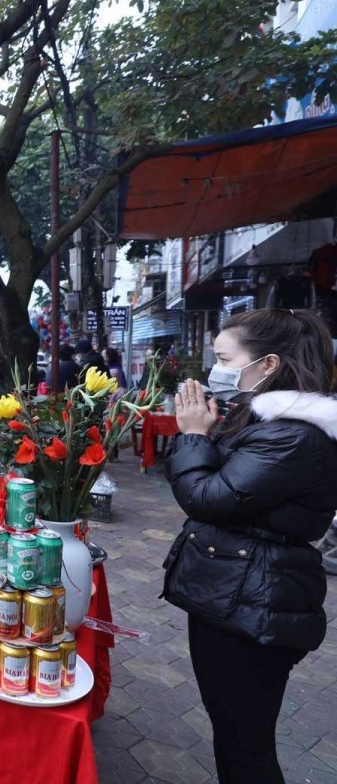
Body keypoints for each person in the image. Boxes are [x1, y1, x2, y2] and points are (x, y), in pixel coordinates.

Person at [162, 309, 337, 784]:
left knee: (245, 745)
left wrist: (194, 435)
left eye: (223, 358)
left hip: (256, 604)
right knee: (233, 733)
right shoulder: (261, 419)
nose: (212, 369)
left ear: (267, 365)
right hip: (238, 595)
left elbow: (209, 497)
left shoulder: (293, 435)